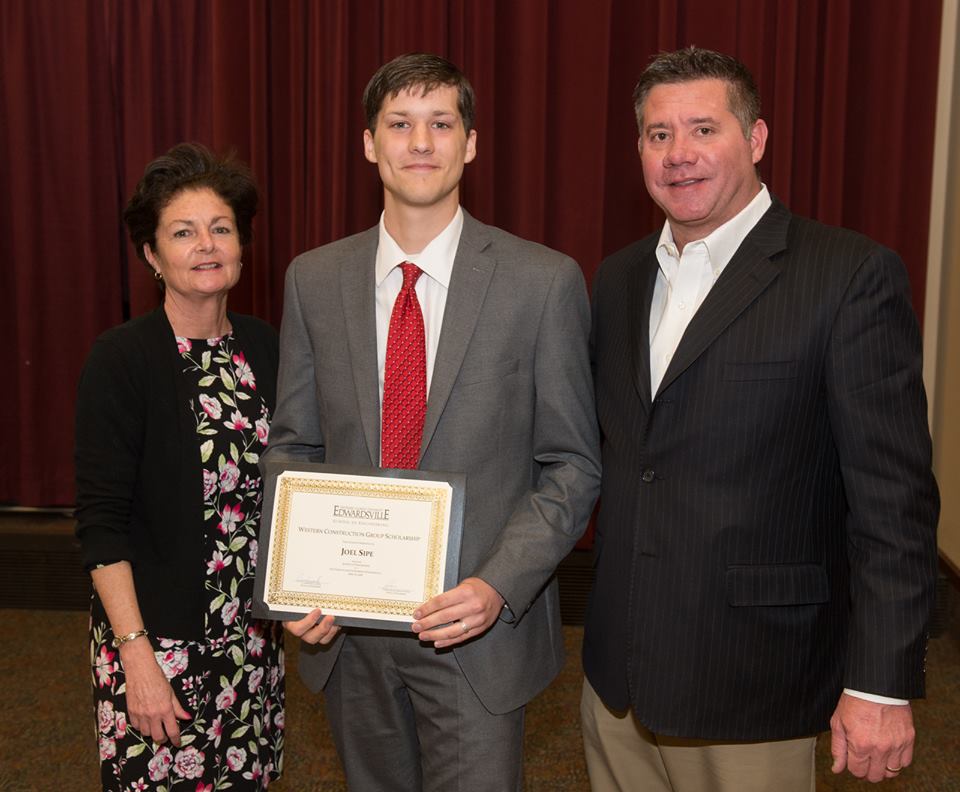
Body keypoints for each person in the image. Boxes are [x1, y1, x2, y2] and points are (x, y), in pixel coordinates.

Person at [581, 46, 939, 791]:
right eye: (658, 134)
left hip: (754, 678)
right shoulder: (617, 279)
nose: (679, 154)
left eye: (704, 129)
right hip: (617, 681)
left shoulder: (847, 276)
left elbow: (893, 502)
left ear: (756, 138)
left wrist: (880, 683)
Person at [260, 52, 601, 791]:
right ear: (368, 143)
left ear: (470, 144)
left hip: (475, 633)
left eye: (441, 124)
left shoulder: (542, 282)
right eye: (400, 124)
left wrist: (498, 585)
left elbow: (573, 465)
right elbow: (294, 445)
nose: (420, 143)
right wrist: (291, 582)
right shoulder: (313, 279)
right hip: (346, 633)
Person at [75, 143, 284, 790]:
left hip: (252, 642)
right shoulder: (122, 359)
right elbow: (101, 526)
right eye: (183, 232)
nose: (206, 245)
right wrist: (135, 655)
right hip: (157, 642)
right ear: (151, 254)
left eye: (221, 228)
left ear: (242, 246)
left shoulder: (265, 347)